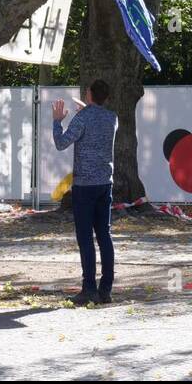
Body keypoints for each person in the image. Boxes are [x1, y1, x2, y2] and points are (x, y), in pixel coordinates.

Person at [52, 80, 118, 305]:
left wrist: (57, 122)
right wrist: (88, 110)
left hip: (84, 186)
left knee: (85, 238)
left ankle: (88, 287)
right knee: (104, 235)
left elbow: (61, 143)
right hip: (105, 183)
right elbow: (98, 124)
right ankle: (106, 289)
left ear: (89, 94)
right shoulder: (112, 118)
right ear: (106, 97)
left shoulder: (81, 119)